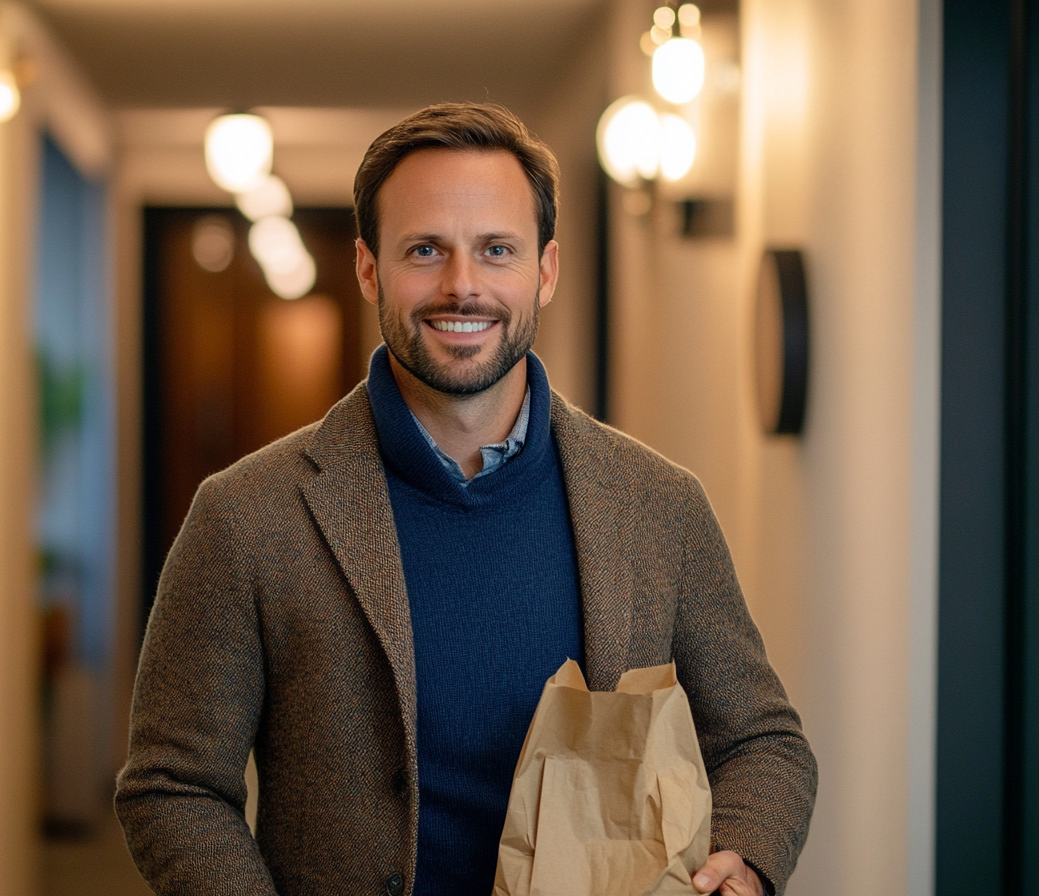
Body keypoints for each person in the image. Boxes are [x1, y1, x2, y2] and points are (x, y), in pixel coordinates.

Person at [116, 103, 816, 896]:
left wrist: (747, 859)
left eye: (496, 250)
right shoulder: (247, 517)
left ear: (545, 270)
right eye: (425, 250)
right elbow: (172, 785)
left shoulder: (659, 507)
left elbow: (762, 741)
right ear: (369, 268)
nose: (462, 285)